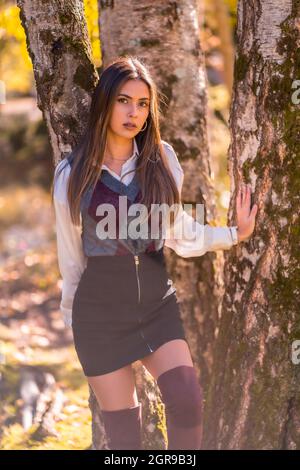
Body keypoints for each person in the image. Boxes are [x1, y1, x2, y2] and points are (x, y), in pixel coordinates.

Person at [51, 55, 258, 450]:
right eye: (124, 101)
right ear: (105, 104)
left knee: (187, 399)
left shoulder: (161, 161)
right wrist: (71, 320)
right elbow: (70, 256)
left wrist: (234, 234)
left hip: (156, 306)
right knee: (126, 439)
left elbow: (179, 232)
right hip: (99, 317)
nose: (134, 112)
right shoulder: (72, 173)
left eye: (143, 104)